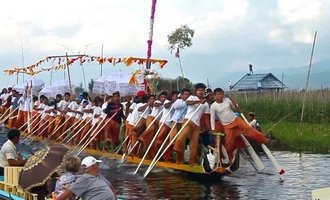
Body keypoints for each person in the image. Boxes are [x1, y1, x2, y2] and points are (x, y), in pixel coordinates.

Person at [210, 88, 268, 165]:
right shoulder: (213, 106)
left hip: (236, 120)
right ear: (215, 96)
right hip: (227, 126)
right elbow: (212, 118)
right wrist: (213, 129)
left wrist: (235, 103)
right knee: (229, 144)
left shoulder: (227, 100)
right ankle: (230, 159)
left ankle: (263, 139)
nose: (221, 96)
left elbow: (235, 108)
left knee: (249, 129)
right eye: (219, 94)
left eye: (222, 94)